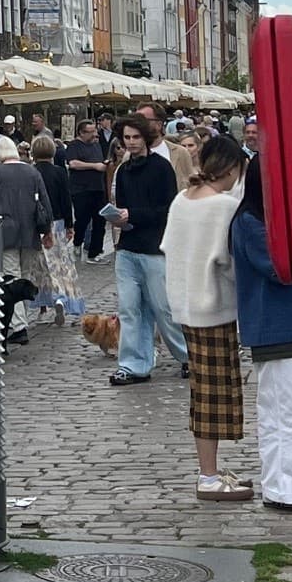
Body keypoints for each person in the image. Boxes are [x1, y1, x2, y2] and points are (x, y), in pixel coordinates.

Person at [232, 160, 292, 511]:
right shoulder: (249, 222)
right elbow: (280, 269)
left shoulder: (270, 222)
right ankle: (285, 487)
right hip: (274, 328)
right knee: (285, 412)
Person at [163, 135, 251, 501]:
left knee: (205, 388)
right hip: (211, 305)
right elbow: (229, 262)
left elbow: (169, 247)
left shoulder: (182, 199)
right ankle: (208, 474)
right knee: (213, 393)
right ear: (230, 170)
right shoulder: (223, 206)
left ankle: (210, 470)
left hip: (185, 303)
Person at [106, 115, 185, 386]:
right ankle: (133, 364)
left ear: (146, 138)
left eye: (135, 137)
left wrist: (133, 214)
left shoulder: (161, 168)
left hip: (154, 247)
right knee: (129, 309)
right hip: (128, 247)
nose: (131, 142)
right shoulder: (123, 171)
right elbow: (123, 206)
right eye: (127, 137)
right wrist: (119, 218)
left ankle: (188, 356)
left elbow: (168, 209)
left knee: (164, 309)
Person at [0, 137, 53, 347]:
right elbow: (45, 201)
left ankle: (19, 326)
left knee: (12, 277)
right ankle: (21, 320)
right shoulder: (32, 172)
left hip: (5, 231)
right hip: (30, 231)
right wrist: (47, 230)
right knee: (25, 277)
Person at [30, 133, 80, 323]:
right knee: (60, 263)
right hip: (57, 221)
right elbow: (66, 198)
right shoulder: (59, 172)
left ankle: (42, 305)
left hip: (36, 223)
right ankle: (62, 297)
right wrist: (70, 224)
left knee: (39, 265)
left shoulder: (30, 171)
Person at [62, 120, 109, 259]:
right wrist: (94, 166)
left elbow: (101, 160)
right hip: (81, 189)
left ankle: (95, 252)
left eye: (95, 131)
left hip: (98, 188)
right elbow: (73, 163)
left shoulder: (96, 145)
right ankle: (78, 242)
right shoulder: (74, 146)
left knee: (100, 220)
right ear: (81, 133)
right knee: (82, 219)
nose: (95, 134)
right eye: (90, 132)